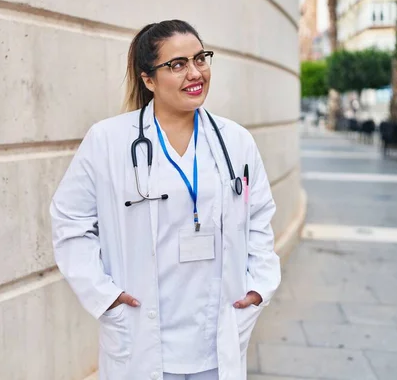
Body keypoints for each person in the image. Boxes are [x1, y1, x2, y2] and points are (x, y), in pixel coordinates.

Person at [50, 19, 281, 380]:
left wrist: (258, 287)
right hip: (141, 335)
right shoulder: (108, 141)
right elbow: (69, 222)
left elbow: (259, 219)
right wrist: (104, 296)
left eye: (200, 58)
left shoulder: (236, 141)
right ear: (148, 80)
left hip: (215, 336)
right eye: (177, 65)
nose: (195, 73)